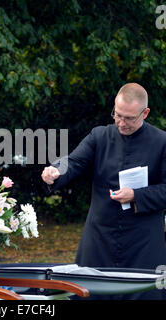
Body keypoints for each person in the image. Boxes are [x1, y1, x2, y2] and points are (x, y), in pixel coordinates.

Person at [41, 83, 166, 299]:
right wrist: (55, 172)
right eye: (117, 115)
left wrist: (137, 195)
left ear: (145, 113)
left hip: (143, 242)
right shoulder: (99, 136)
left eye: (129, 118)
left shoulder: (162, 142)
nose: (121, 122)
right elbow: (74, 162)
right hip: (99, 238)